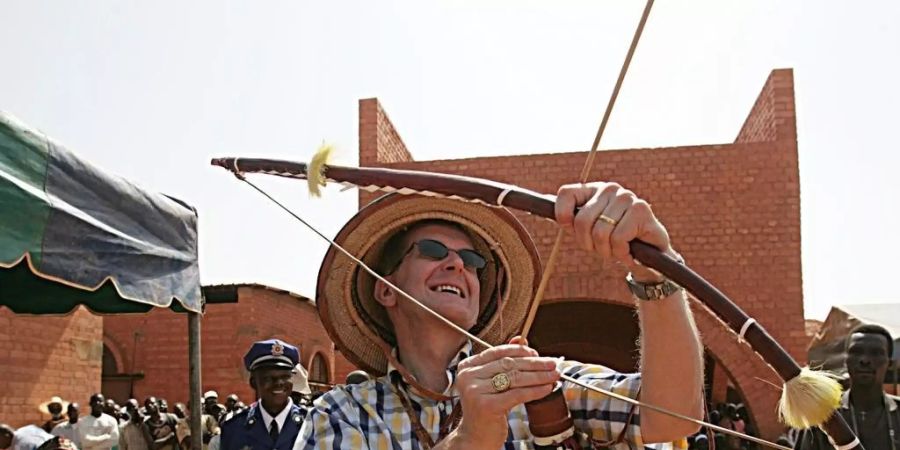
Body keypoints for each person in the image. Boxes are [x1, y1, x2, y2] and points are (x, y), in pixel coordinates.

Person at [293, 186, 704, 449]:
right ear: (386, 290)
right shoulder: (341, 412)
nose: (457, 264)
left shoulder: (538, 380)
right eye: (433, 252)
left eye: (472, 261)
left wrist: (656, 269)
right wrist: (471, 438)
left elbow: (672, 415)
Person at [794, 324, 900, 449]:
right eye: (856, 352)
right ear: (845, 361)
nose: (865, 360)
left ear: (890, 364)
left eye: (876, 353)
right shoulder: (823, 416)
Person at [220, 339, 306, 450]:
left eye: (285, 377)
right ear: (253, 383)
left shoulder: (311, 424)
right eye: (269, 378)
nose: (279, 383)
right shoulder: (234, 428)